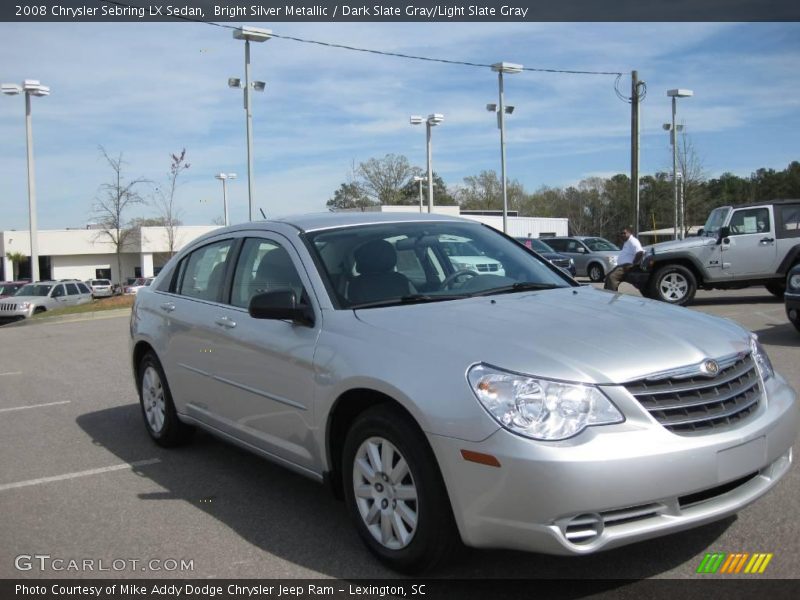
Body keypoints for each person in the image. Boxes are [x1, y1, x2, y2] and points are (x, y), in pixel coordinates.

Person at [604, 226, 643, 292]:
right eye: (621, 233)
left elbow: (640, 252)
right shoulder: (627, 242)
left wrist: (633, 265)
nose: (622, 235)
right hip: (621, 266)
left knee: (612, 277)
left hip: (626, 266)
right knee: (608, 276)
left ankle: (612, 295)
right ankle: (606, 294)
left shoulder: (633, 241)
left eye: (624, 233)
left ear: (630, 233)